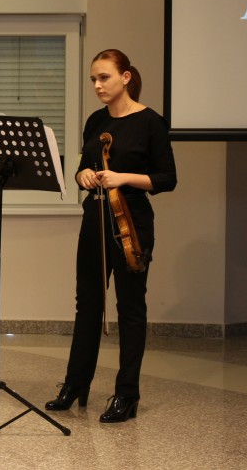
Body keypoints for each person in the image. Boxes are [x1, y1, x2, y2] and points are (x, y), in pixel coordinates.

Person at [45, 49, 177, 423]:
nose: (98, 85)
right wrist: (82, 175)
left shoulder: (150, 122)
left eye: (104, 77)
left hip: (132, 220)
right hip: (95, 217)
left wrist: (123, 178)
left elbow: (167, 179)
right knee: (87, 302)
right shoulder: (96, 121)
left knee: (130, 307)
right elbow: (83, 165)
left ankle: (127, 394)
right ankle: (75, 384)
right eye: (94, 79)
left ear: (126, 77)